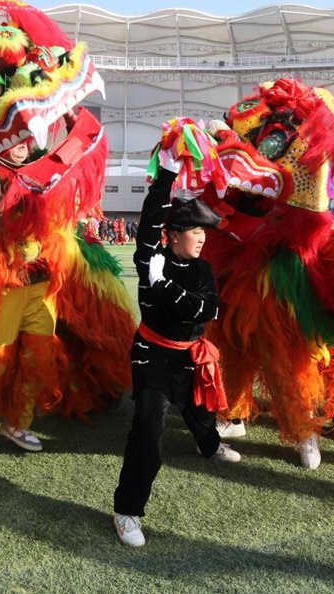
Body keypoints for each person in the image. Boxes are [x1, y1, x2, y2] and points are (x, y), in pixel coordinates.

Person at [113, 167, 241, 548]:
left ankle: (210, 445)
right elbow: (151, 222)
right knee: (149, 429)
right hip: (152, 356)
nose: (202, 239)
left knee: (201, 413)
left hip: (191, 356)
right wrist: (165, 178)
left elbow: (206, 311)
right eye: (195, 233)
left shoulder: (202, 269)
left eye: (204, 233)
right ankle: (127, 511)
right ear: (173, 237)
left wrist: (165, 286)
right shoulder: (150, 259)